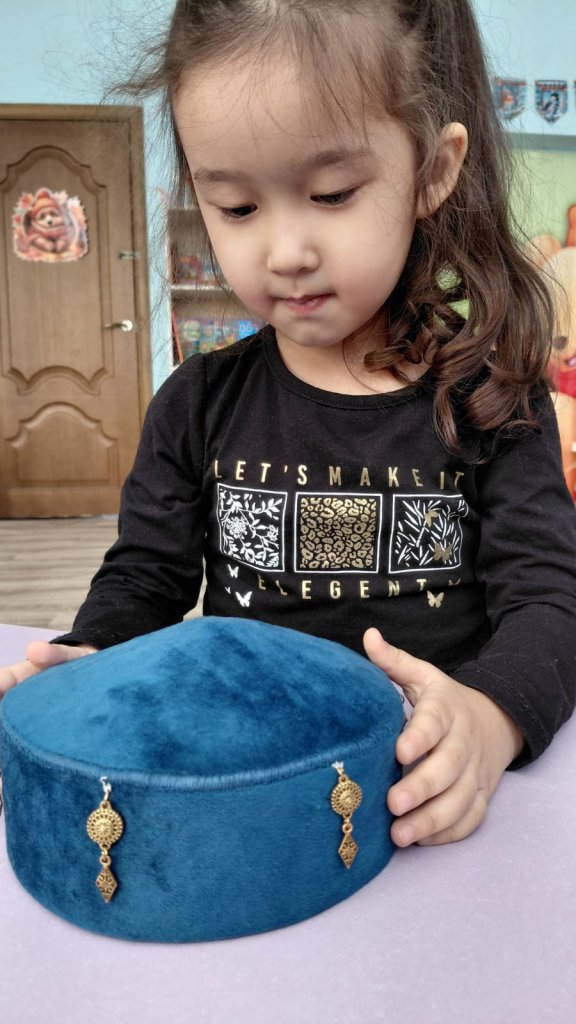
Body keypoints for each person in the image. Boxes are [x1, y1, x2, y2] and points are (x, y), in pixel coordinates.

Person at [2, 0, 576, 849]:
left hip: (429, 803)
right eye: (236, 207)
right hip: (248, 806)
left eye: (332, 194)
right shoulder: (197, 402)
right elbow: (146, 580)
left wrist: (491, 720)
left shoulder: (492, 397)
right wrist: (93, 658)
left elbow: (550, 601)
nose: (285, 252)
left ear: (432, 170)